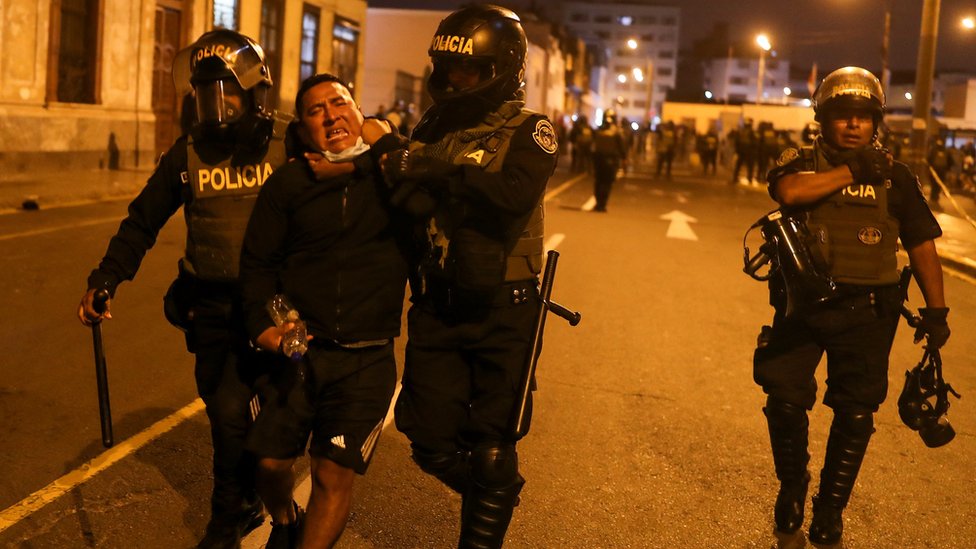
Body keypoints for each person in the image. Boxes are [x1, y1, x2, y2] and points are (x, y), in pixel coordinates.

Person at [77, 30, 296, 548]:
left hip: (278, 309)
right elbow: (141, 222)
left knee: (279, 429)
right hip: (215, 308)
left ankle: (285, 514)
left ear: (255, 92)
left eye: (228, 93)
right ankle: (228, 519)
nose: (216, 108)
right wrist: (105, 279)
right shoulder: (187, 155)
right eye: (204, 95)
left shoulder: (291, 142)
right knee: (225, 423)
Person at [380, 5, 557, 548]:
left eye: (471, 70)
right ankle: (496, 489)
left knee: (492, 443)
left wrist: (436, 170)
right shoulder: (432, 125)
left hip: (507, 307)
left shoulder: (532, 130)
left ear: (501, 68)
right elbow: (405, 200)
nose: (457, 80)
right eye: (451, 68)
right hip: (438, 300)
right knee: (427, 439)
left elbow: (511, 195)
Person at [752, 67, 950, 546]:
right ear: (824, 119)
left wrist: (938, 311)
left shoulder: (897, 177)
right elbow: (790, 192)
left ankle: (830, 509)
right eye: (843, 115)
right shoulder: (799, 160)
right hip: (803, 309)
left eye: (864, 116)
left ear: (876, 122)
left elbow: (922, 244)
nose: (854, 125)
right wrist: (851, 171)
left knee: (856, 412)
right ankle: (792, 487)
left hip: (868, 312)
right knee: (784, 400)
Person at [238, 73, 409, 549]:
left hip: (367, 359)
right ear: (304, 128)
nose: (332, 115)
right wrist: (262, 327)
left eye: (341, 104)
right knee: (270, 466)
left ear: (361, 114)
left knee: (333, 476)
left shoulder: (394, 177)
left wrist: (383, 146)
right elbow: (257, 266)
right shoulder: (288, 183)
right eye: (316, 110)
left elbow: (431, 181)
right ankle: (285, 518)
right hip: (299, 356)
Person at [591, 109, 628, 212]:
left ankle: (599, 203)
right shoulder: (616, 132)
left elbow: (593, 146)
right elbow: (622, 148)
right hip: (611, 161)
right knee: (606, 183)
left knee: (598, 182)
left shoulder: (598, 130)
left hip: (599, 160)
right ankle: (602, 204)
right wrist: (624, 159)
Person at [730, 118, 758, 185]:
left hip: (741, 151)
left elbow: (736, 141)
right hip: (749, 151)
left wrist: (737, 150)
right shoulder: (752, 131)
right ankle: (750, 179)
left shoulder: (740, 131)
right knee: (750, 166)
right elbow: (755, 142)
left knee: (738, 165)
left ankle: (735, 178)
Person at [927, 137, 952, 207]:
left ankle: (933, 199)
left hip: (935, 171)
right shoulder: (946, 150)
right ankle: (935, 199)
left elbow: (928, 159)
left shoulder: (933, 149)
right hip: (942, 171)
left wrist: (930, 167)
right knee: (938, 185)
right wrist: (947, 169)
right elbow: (950, 161)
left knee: (934, 185)